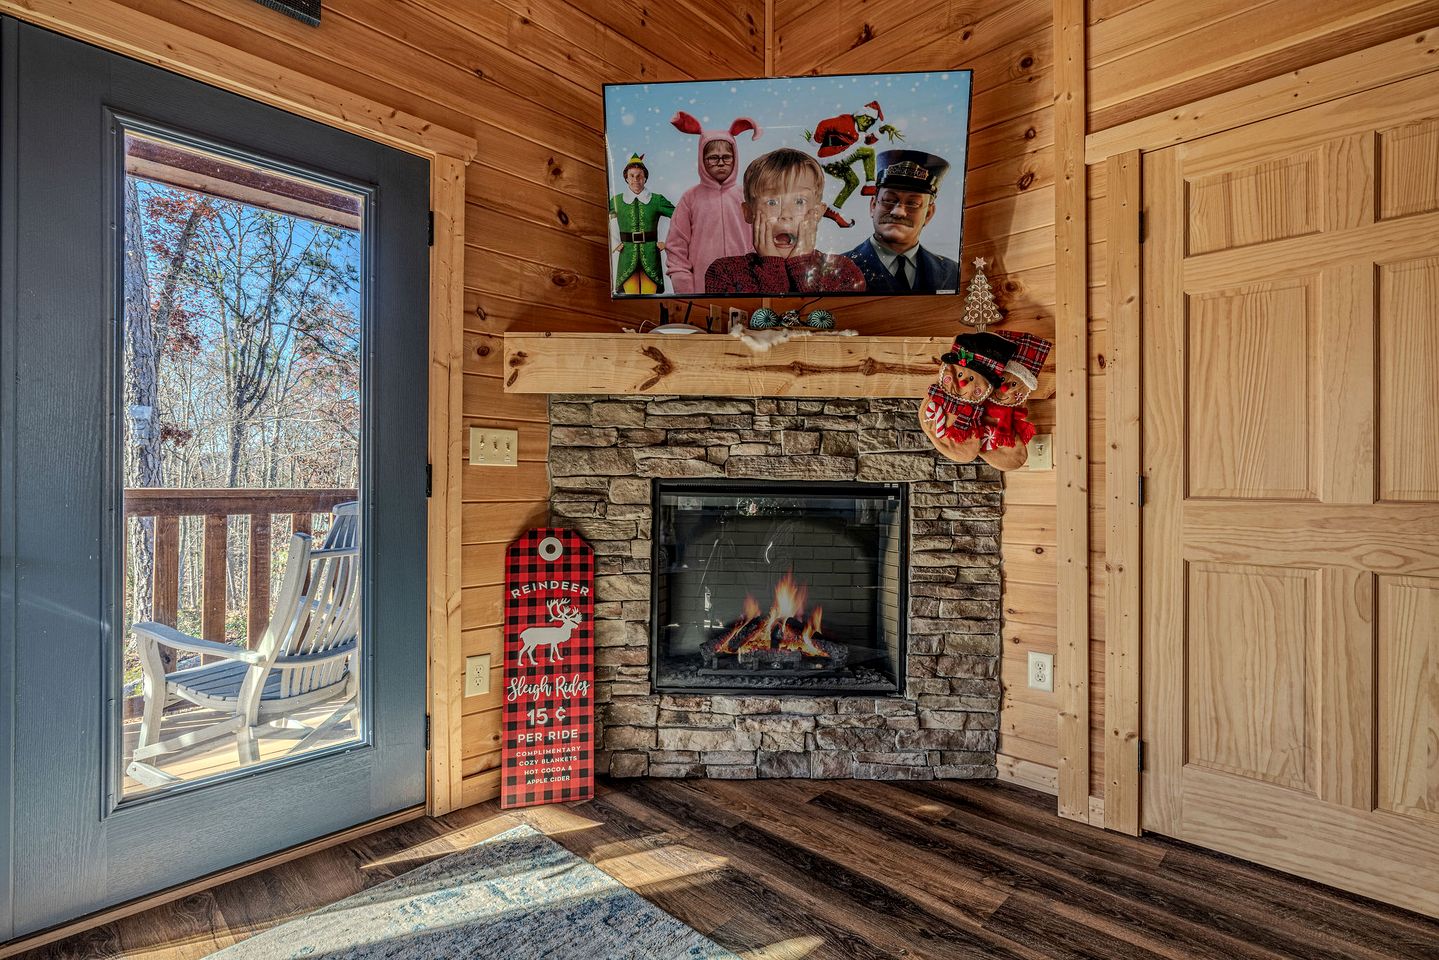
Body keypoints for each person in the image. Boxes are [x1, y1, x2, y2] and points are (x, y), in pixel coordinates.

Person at [703, 148, 866, 295]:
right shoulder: (724, 272)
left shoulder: (844, 271)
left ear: (817, 213)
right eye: (772, 202)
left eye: (799, 201)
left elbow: (828, 322)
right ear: (748, 212)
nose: (785, 215)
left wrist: (802, 265)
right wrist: (771, 265)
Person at [664, 113, 761, 295]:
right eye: (713, 158)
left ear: (735, 157)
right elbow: (676, 245)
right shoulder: (690, 198)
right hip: (701, 289)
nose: (721, 163)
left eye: (727, 157)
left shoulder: (746, 196)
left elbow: (759, 241)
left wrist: (756, 280)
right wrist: (685, 287)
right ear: (702, 159)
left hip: (744, 289)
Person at [843, 149, 960, 294]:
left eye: (913, 203)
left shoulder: (953, 274)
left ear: (928, 214)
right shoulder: (837, 269)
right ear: (873, 206)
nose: (898, 212)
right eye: (889, 200)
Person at [609, 153, 674, 295]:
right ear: (626, 178)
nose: (636, 180)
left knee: (649, 296)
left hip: (650, 256)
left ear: (645, 177)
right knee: (631, 298)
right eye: (632, 176)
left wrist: (668, 242)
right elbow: (600, 220)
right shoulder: (617, 201)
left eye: (639, 175)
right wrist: (614, 243)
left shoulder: (656, 200)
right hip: (627, 256)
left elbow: (680, 218)